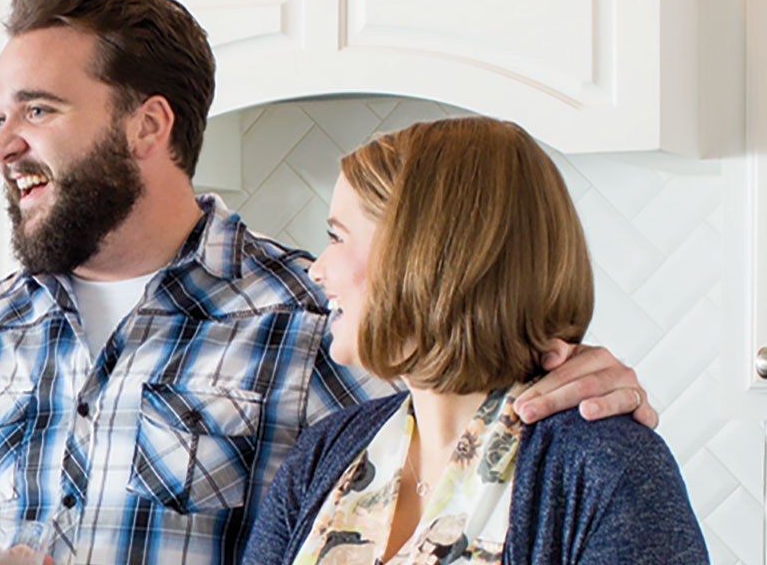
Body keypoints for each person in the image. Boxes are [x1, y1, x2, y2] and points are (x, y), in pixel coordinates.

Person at [0, 0, 658, 565]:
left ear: (148, 125)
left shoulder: (313, 322)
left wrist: (569, 385)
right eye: (0, 114)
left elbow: (478, 418)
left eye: (38, 109)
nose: (4, 142)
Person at [241, 117, 705, 564]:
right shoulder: (324, 454)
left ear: (426, 257)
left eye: (337, 238)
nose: (316, 269)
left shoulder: (606, 467)